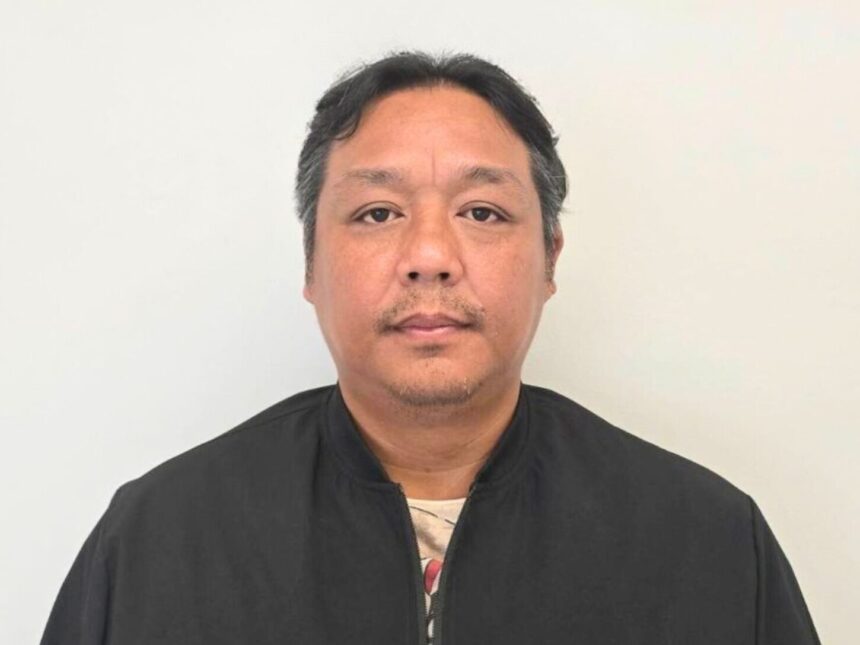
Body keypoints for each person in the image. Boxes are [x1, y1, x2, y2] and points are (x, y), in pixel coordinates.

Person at [41, 51, 820, 645]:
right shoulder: (159, 538)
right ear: (311, 264)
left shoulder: (708, 541)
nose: (430, 255)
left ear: (549, 259)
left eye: (482, 212)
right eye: (378, 213)